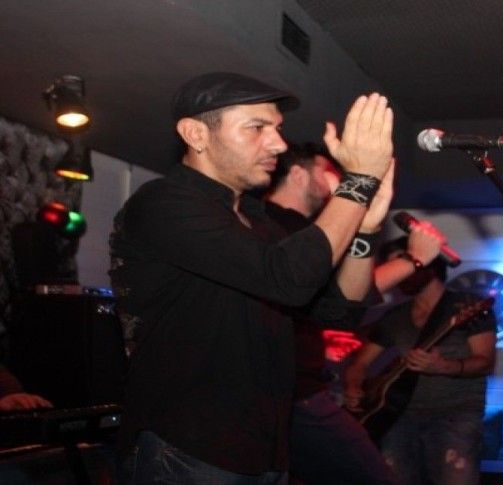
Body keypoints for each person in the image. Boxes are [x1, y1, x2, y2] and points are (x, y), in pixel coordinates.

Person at [109, 71, 394, 484]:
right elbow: (287, 279)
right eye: (257, 128)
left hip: (264, 448)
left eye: (277, 128)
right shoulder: (163, 204)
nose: (279, 143)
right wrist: (358, 182)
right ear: (196, 134)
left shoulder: (260, 221)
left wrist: (364, 232)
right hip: (188, 449)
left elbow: (340, 309)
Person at [265, 142, 445, 484]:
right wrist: (415, 259)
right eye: (327, 171)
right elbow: (346, 293)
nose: (335, 182)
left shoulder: (285, 228)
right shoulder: (286, 229)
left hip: (288, 391)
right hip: (295, 393)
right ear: (299, 175)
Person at [344, 237, 497, 485]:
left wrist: (444, 366)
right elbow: (359, 364)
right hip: (397, 418)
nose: (398, 274)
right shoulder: (395, 316)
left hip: (454, 418)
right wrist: (353, 387)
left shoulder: (467, 306)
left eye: (403, 264)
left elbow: (485, 362)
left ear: (429, 264)